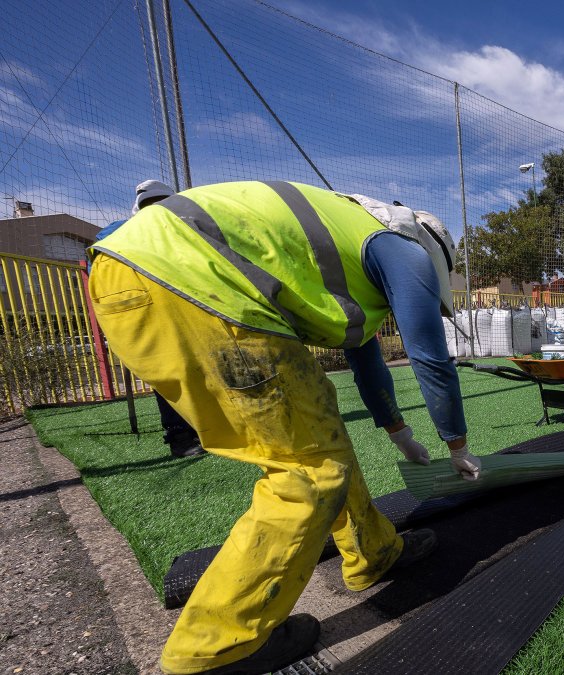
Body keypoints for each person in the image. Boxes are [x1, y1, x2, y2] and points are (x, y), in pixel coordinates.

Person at [87, 180, 479, 674]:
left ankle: (373, 552)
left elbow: (367, 363)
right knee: (309, 468)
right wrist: (457, 446)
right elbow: (430, 357)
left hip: (124, 281)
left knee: (318, 430)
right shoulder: (403, 249)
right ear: (432, 251)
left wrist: (400, 434)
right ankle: (214, 646)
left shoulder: (350, 241)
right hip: (197, 282)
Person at [96, 180, 205, 458]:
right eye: (150, 205)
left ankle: (200, 429)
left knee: (198, 370)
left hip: (183, 310)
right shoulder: (120, 233)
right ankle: (180, 434)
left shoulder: (184, 231)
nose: (156, 209)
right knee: (168, 373)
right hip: (150, 314)